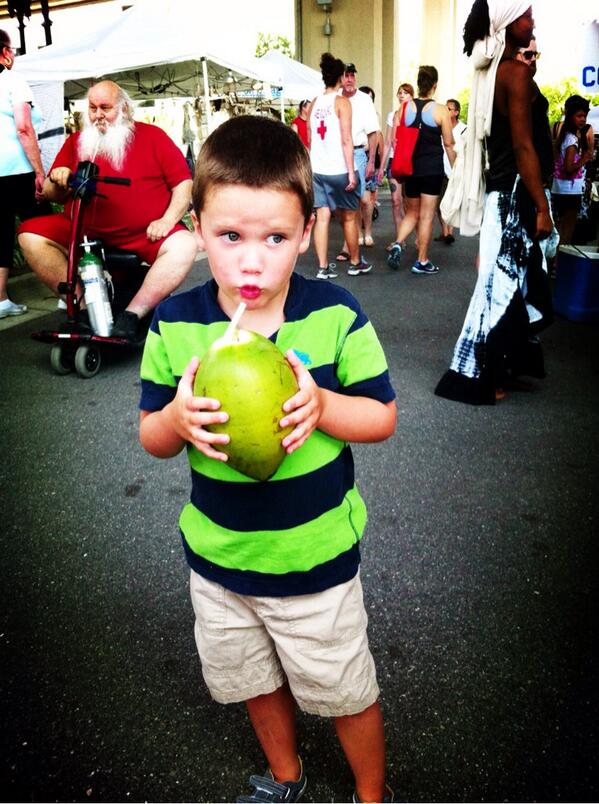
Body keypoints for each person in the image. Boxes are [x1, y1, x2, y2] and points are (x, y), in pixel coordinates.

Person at [138, 114, 397, 803]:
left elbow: (381, 417)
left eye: (275, 238)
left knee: (344, 688)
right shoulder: (177, 324)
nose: (251, 261)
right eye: (229, 236)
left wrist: (323, 407)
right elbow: (150, 437)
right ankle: (287, 777)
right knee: (251, 680)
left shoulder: (334, 315)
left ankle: (372, 793)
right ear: (198, 230)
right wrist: (176, 419)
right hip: (220, 561)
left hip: (313, 561)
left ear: (307, 229)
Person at [435, 0, 555, 405]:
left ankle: (503, 365)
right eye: (526, 14)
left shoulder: (494, 72)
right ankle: (471, 376)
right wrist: (541, 206)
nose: (532, 19)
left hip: (503, 195)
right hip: (514, 196)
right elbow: (523, 146)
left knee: (510, 285)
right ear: (507, 22)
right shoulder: (514, 73)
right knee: (498, 290)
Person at [18, 80, 198, 341]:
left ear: (124, 108)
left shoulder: (153, 136)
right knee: (29, 234)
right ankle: (81, 309)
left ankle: (133, 314)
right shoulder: (78, 141)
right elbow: (49, 192)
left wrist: (168, 220)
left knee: (184, 244)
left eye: (106, 107)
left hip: (143, 233)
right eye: (92, 108)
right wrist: (59, 178)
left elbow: (184, 183)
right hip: (83, 231)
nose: (98, 115)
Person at [384, 65, 456, 274]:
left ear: (418, 84)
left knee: (412, 212)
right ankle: (422, 261)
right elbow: (449, 145)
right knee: (426, 216)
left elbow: (396, 140)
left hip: (410, 169)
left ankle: (398, 243)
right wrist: (456, 169)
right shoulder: (441, 110)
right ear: (435, 85)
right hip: (432, 170)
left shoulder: (404, 109)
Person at [0, 29, 51, 320]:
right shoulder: (13, 80)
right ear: (6, 52)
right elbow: (23, 127)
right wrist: (39, 171)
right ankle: (66, 294)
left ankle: (1, 300)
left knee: (1, 234)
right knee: (45, 229)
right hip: (18, 170)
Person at [308, 53, 369, 279]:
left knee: (322, 217)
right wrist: (352, 173)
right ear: (341, 78)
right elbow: (346, 139)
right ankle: (354, 262)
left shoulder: (314, 103)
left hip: (318, 170)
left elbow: (311, 137)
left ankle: (323, 268)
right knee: (350, 217)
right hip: (339, 169)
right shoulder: (342, 102)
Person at [334, 62, 379, 266]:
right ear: (340, 79)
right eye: (346, 75)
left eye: (352, 75)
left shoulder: (364, 100)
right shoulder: (334, 99)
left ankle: (354, 239)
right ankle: (350, 241)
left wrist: (371, 161)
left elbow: (373, 133)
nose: (350, 79)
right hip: (337, 153)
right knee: (343, 202)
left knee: (361, 200)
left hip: (359, 152)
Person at [550, 95, 594, 248]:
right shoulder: (571, 140)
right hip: (569, 191)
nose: (583, 119)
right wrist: (584, 159)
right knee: (566, 232)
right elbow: (568, 168)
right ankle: (559, 264)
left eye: (585, 116)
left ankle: (554, 264)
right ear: (570, 116)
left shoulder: (564, 137)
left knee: (558, 229)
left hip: (559, 188)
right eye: (579, 115)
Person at [380, 83, 414, 252]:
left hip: (411, 161)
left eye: (405, 93)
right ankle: (399, 240)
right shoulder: (392, 115)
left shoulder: (415, 115)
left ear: (411, 96)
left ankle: (412, 235)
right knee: (395, 201)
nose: (401, 95)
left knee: (411, 204)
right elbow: (387, 143)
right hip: (394, 160)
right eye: (399, 93)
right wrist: (381, 167)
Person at [435, 99, 467, 244]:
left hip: (455, 169)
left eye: (449, 109)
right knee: (439, 203)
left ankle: (450, 232)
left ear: (456, 112)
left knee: (452, 201)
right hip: (439, 168)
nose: (446, 111)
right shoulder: (440, 126)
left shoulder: (464, 129)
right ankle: (445, 232)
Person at [358, 85, 385, 248]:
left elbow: (379, 140)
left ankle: (367, 231)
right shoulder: (350, 112)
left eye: (371, 98)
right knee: (355, 202)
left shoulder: (374, 116)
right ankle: (358, 234)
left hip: (369, 161)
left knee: (368, 201)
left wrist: (379, 167)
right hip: (354, 158)